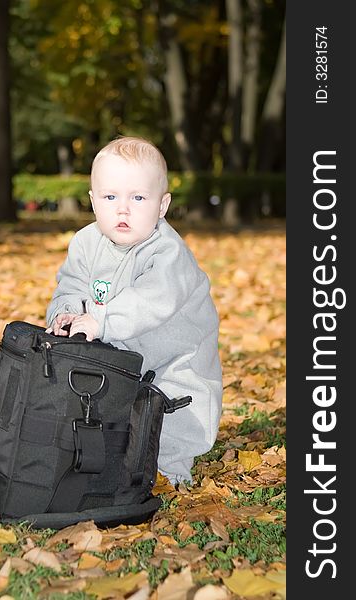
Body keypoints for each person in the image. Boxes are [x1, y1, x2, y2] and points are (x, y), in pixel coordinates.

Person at [46, 136, 222, 484]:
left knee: (172, 415)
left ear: (161, 205)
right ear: (94, 201)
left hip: (176, 358)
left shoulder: (168, 254)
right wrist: (65, 313)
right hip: (126, 351)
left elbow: (150, 300)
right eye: (110, 197)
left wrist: (101, 319)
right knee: (111, 406)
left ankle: (172, 472)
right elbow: (71, 285)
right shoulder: (86, 243)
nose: (122, 209)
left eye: (138, 198)